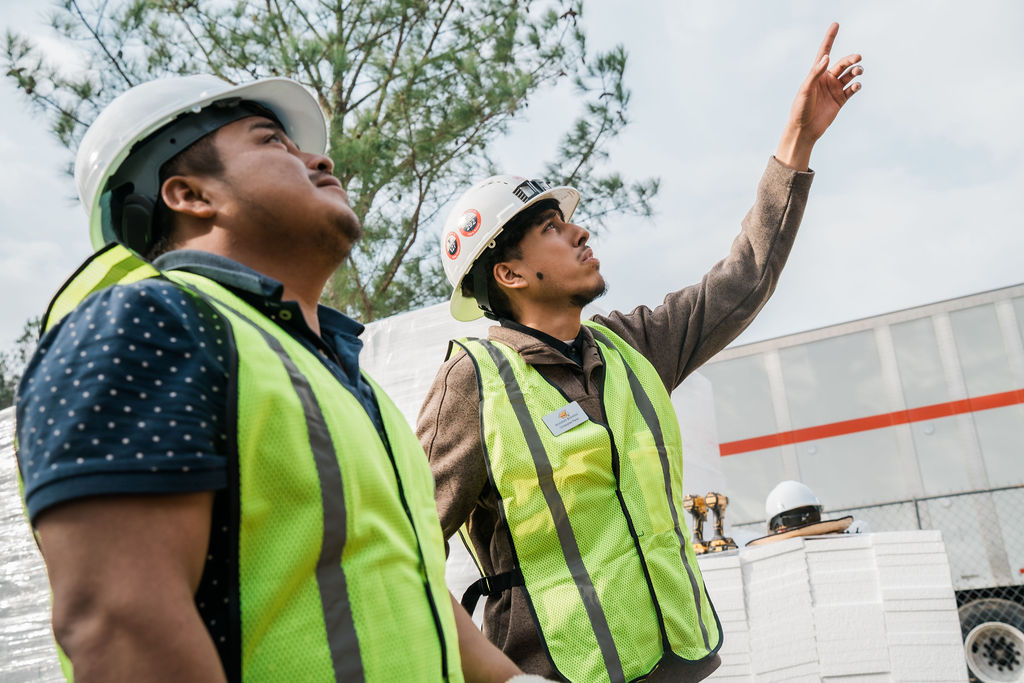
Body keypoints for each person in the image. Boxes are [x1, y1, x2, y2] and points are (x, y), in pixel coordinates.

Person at [15, 74, 534, 681]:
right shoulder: (147, 325)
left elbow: (400, 580)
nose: (320, 158)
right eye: (274, 143)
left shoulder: (341, 380)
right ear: (188, 194)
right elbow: (123, 625)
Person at [417, 23, 863, 683]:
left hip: (679, 663)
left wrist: (798, 141)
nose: (581, 229)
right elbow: (402, 548)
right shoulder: (472, 386)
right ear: (508, 273)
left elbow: (743, 278)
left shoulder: (631, 347)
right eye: (551, 228)